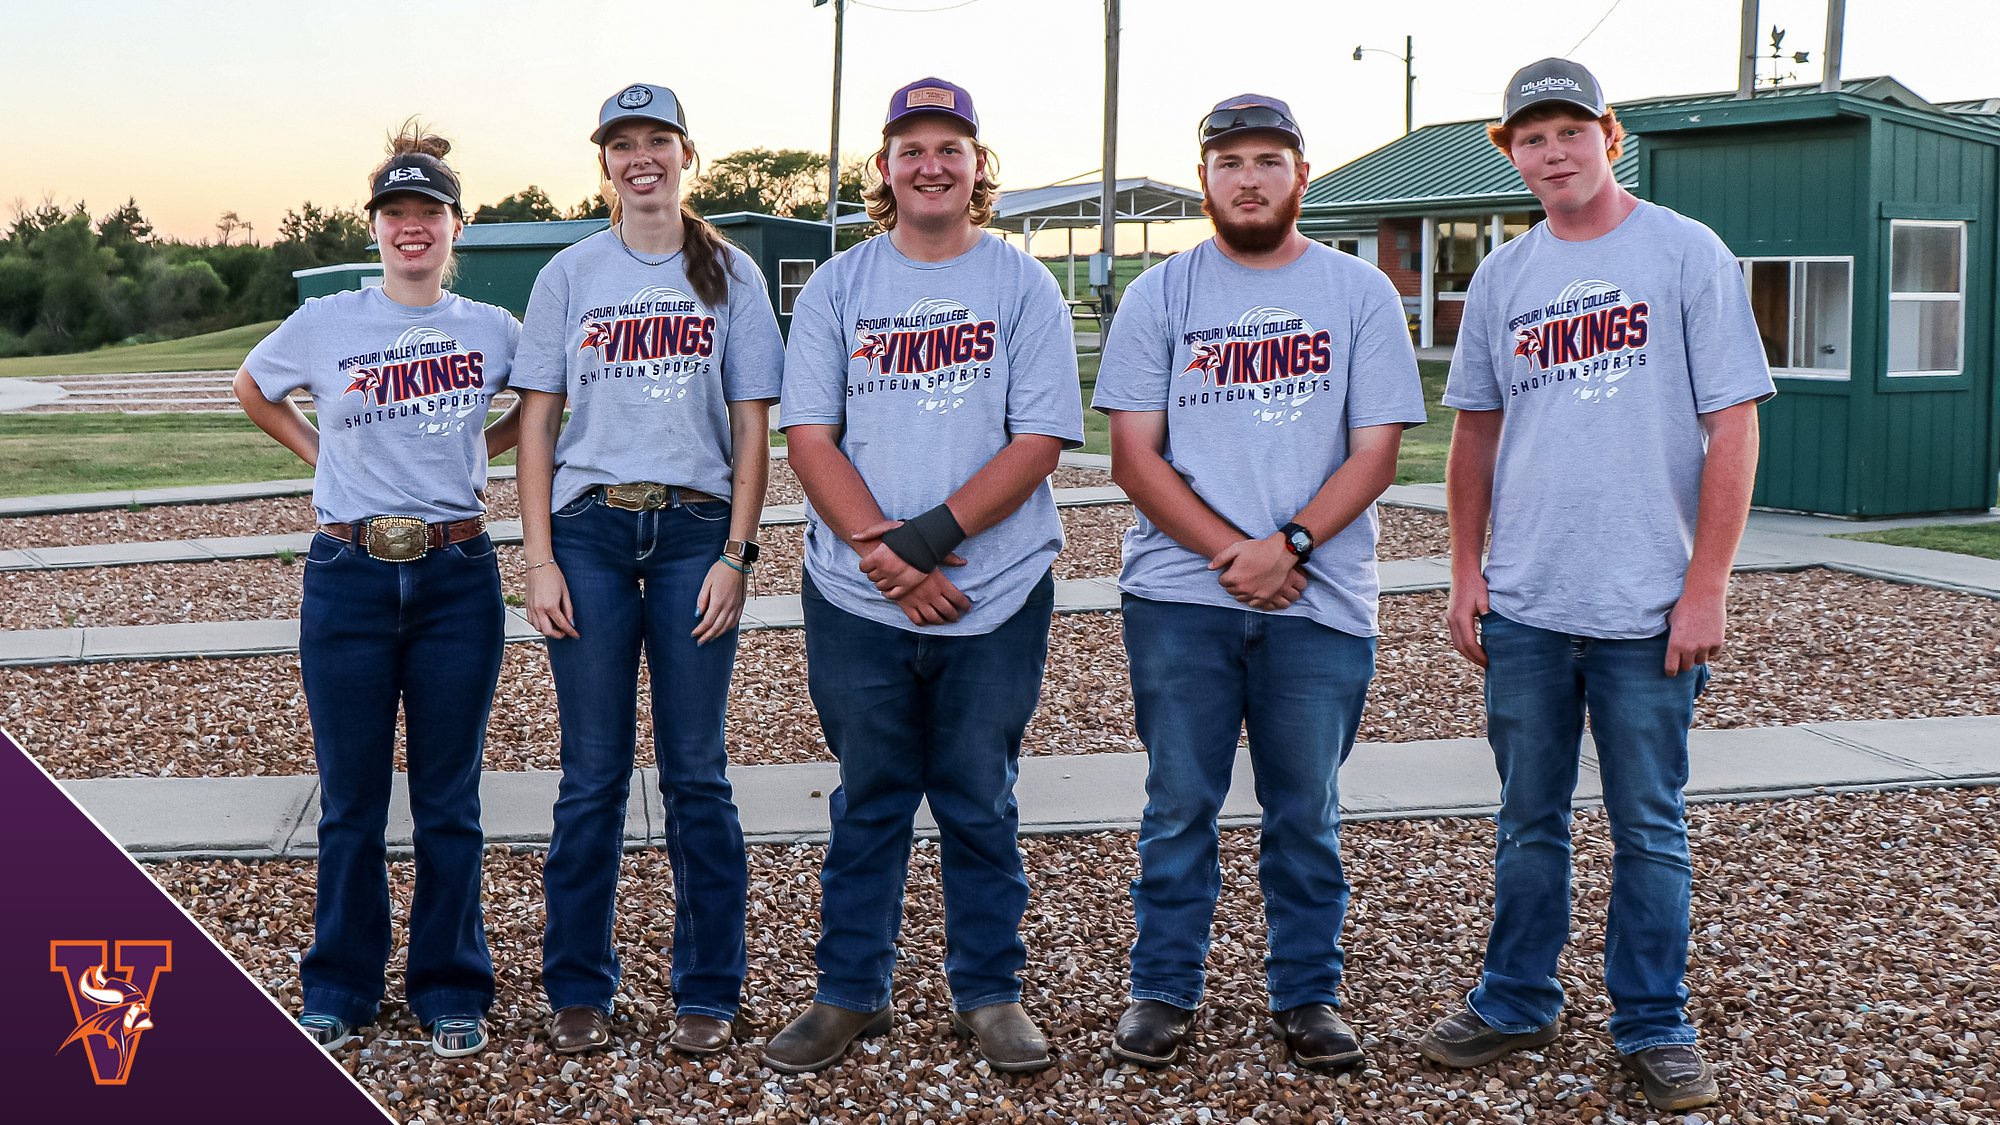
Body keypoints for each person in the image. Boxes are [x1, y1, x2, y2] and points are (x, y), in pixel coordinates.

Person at [1413, 58, 1773, 1113]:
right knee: (1527, 819)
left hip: (1644, 611)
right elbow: (1473, 432)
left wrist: (1704, 586)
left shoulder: (1682, 254)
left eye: (1570, 129)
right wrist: (1464, 572)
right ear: (1508, 151)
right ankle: (1515, 996)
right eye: (1531, 136)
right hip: (1525, 607)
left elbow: (1733, 425)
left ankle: (1652, 1022)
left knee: (1647, 824)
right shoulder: (1502, 276)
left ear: (1608, 136)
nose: (1552, 151)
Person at [1091, 95, 1426, 1071]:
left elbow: (1376, 452)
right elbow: (1132, 456)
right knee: (1178, 803)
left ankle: (1306, 994)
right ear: (1203, 178)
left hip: (1316, 600)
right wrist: (1232, 554)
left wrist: (1287, 544)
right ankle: (1162, 989)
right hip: (1178, 599)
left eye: (1267, 160)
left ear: (1299, 176)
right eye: (1228, 161)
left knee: (1304, 811)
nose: (1247, 178)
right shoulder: (1162, 294)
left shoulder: (1357, 296)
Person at [761, 77, 1083, 1075]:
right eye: (911, 148)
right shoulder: (839, 286)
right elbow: (807, 434)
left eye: (950, 147)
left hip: (995, 593)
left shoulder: (1019, 284)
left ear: (977, 166)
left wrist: (927, 539)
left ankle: (987, 993)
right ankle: (849, 993)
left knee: (977, 795)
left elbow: (1040, 439)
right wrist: (884, 555)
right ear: (885, 169)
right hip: (856, 596)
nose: (930, 164)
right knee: (871, 794)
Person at [234, 124, 520, 1059]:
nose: (411, 228)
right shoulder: (329, 323)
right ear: (376, 228)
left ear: (455, 226)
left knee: (448, 799)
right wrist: (324, 454)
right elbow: (252, 387)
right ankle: (342, 984)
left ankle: (448, 985)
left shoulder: (491, 329)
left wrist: (485, 452)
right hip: (348, 576)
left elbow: (546, 406)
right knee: (352, 800)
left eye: (428, 212)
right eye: (395, 213)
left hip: (456, 575)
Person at [513, 83, 783, 1058]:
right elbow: (537, 424)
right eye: (621, 144)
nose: (640, 158)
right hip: (587, 531)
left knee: (695, 772)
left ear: (685, 155)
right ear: (605, 164)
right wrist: (537, 557)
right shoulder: (571, 276)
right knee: (590, 775)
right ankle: (578, 985)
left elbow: (753, 427)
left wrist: (736, 557)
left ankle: (707, 986)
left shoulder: (729, 276)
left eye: (656, 140)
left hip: (692, 533)